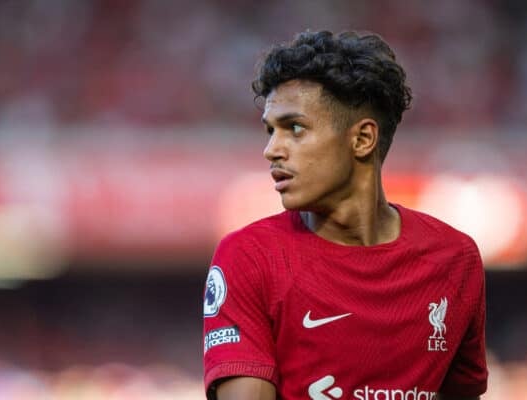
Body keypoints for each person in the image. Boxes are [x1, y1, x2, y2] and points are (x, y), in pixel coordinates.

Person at [203, 30, 487, 400]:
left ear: (363, 139)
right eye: (270, 131)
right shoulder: (250, 257)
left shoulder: (455, 259)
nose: (271, 150)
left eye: (295, 128)